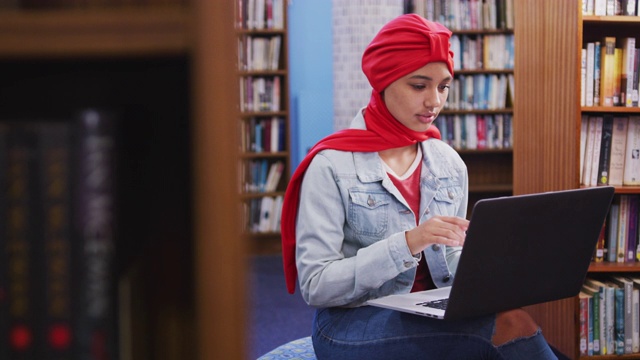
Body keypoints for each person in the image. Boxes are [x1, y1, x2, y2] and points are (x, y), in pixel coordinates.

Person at [280, 13, 558, 360]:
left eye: (443, 86)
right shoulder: (331, 165)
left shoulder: (449, 163)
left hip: (432, 310)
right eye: (419, 85)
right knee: (512, 328)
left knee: (509, 322)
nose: (434, 101)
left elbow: (452, 256)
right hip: (351, 324)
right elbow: (316, 285)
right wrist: (409, 243)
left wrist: (496, 270)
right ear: (384, 80)